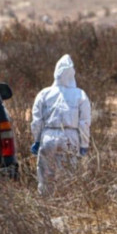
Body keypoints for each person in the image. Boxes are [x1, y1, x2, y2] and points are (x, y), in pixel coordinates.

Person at [30, 54, 92, 196]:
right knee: (70, 174)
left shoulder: (44, 94)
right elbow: (84, 123)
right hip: (70, 137)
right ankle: (68, 203)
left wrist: (37, 140)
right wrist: (84, 144)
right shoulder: (80, 95)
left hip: (48, 136)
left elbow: (36, 121)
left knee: (45, 174)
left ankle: (45, 202)